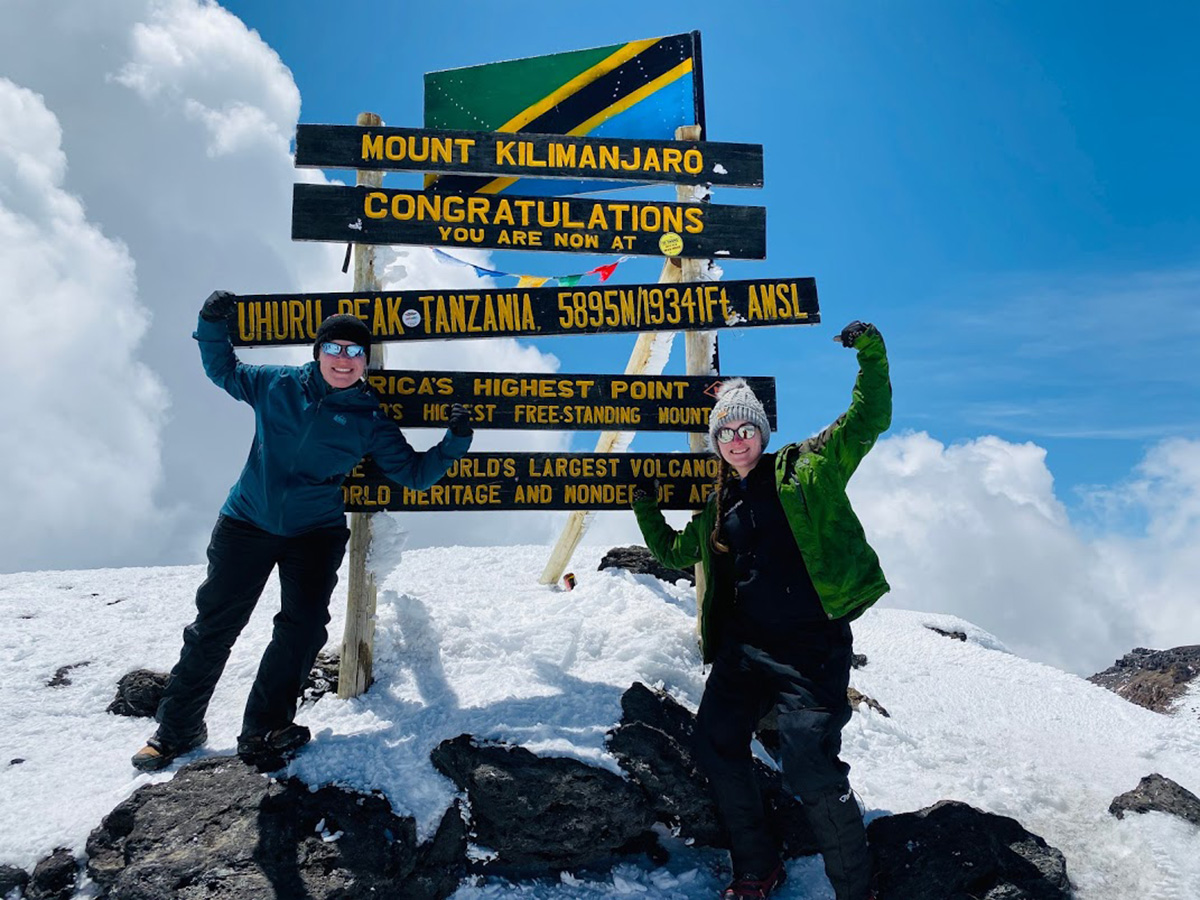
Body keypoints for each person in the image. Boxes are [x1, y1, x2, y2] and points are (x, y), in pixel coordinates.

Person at [132, 292, 474, 772]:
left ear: (365, 362)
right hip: (246, 523)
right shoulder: (276, 385)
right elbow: (223, 370)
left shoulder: (369, 419)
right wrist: (210, 322)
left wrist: (454, 444)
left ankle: (264, 729)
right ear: (318, 352)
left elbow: (414, 474)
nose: (344, 360)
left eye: (356, 353)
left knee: (304, 630)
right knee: (214, 629)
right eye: (335, 348)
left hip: (315, 533)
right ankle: (176, 731)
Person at [631, 321, 890, 900]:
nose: (738, 438)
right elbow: (675, 552)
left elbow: (869, 419)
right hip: (745, 650)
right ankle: (757, 866)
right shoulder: (721, 503)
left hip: (811, 649)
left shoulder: (808, 470)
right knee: (715, 744)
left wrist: (870, 353)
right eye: (727, 432)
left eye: (748, 428)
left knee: (810, 766)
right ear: (718, 442)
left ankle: (856, 887)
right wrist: (645, 508)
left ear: (763, 432)